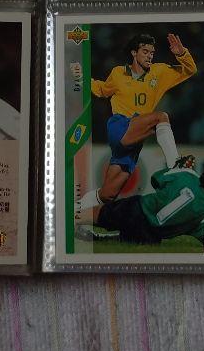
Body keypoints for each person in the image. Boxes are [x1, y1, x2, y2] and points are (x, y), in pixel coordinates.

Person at [74, 32, 194, 216]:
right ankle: (175, 166)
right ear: (134, 53)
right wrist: (81, 78)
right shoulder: (118, 73)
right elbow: (102, 90)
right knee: (161, 117)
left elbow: (190, 70)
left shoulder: (159, 72)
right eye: (145, 52)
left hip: (134, 140)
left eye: (152, 52)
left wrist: (182, 53)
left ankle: (73, 210)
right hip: (119, 127)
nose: (149, 56)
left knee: (108, 194)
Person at [76, 155, 204, 245]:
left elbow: (156, 179)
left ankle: (71, 218)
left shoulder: (187, 174)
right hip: (151, 234)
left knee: (101, 214)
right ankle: (101, 239)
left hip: (137, 208)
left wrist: (177, 168)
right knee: (140, 242)